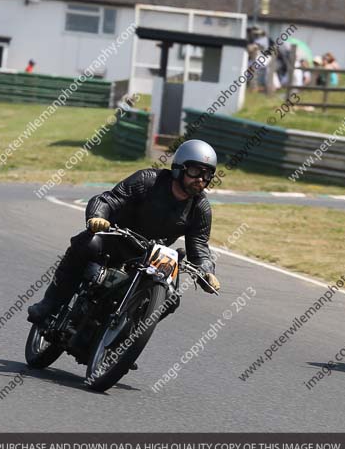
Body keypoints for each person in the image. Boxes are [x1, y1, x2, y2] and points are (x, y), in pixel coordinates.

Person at [27, 139, 222, 326]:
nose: (200, 180)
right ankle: (50, 303)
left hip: (150, 256)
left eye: (207, 175)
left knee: (170, 298)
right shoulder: (148, 180)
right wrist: (98, 217)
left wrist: (206, 272)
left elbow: (199, 246)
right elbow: (108, 200)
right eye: (196, 171)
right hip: (116, 239)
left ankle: (125, 345)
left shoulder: (201, 208)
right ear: (179, 167)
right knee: (87, 243)